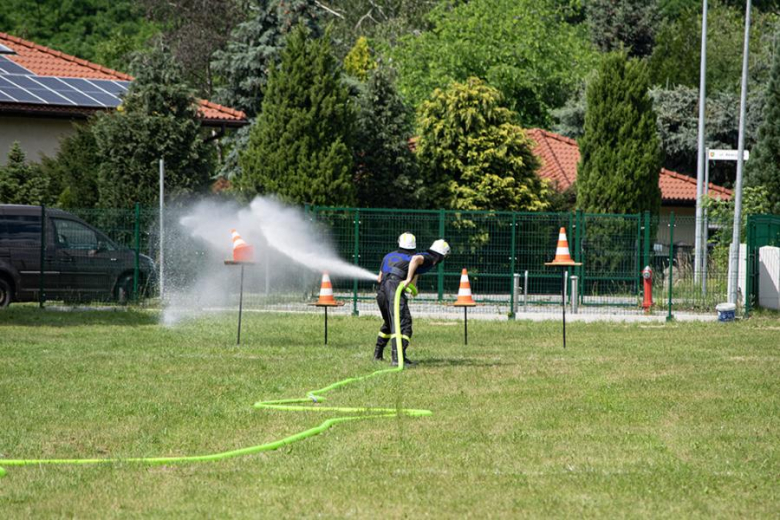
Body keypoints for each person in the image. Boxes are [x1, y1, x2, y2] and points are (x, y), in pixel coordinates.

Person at [374, 236, 451, 366]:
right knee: (404, 324)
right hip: (393, 288)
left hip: (382, 291)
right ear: (442, 255)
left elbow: (380, 278)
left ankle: (378, 354)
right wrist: (408, 279)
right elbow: (415, 260)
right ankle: (398, 358)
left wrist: (412, 286)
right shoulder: (429, 258)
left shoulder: (390, 256)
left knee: (390, 322)